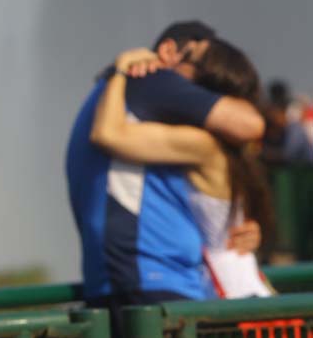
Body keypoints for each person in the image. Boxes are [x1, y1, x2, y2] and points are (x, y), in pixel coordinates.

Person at [65, 20, 264, 338]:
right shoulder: (152, 81)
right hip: (154, 283)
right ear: (169, 52)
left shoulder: (111, 93)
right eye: (202, 68)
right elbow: (249, 123)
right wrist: (121, 68)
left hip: (123, 279)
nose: (200, 93)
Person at [91, 41, 274, 299]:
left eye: (185, 58)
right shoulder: (235, 153)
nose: (171, 67)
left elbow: (107, 134)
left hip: (229, 299)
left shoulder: (203, 145)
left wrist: (120, 70)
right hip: (242, 289)